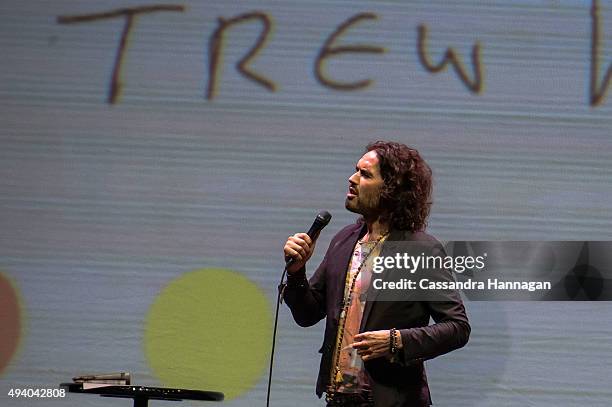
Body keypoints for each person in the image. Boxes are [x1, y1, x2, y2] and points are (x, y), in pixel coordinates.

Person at [282, 141, 470, 406]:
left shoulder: (420, 249)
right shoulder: (344, 240)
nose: (352, 179)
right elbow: (307, 314)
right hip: (339, 397)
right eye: (355, 170)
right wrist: (297, 272)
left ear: (391, 191)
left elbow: (457, 328)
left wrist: (397, 340)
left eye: (365, 174)